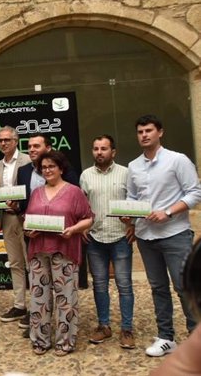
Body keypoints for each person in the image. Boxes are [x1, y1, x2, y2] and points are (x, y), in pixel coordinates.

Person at [125, 114, 201, 357]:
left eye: (148, 130)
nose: (144, 135)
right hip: (146, 236)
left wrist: (168, 212)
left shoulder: (177, 160)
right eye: (140, 132)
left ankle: (196, 337)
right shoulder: (134, 166)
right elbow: (132, 198)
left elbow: (195, 193)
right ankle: (166, 337)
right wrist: (128, 214)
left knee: (185, 286)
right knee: (158, 287)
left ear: (160, 132)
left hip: (175, 234)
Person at [25, 150, 93, 356]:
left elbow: (88, 218)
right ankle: (41, 340)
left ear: (61, 168)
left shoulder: (74, 192)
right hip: (38, 251)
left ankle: (65, 342)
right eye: (43, 167)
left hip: (64, 250)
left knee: (65, 298)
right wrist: (29, 230)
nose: (47, 170)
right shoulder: (36, 193)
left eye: (51, 166)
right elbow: (27, 220)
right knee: (39, 298)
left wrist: (73, 230)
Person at [79, 135, 135, 349]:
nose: (99, 152)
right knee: (99, 286)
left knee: (125, 286)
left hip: (121, 237)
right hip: (95, 238)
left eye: (104, 148)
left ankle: (127, 329)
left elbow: (134, 201)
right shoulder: (86, 175)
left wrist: (134, 225)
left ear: (114, 151)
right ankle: (104, 326)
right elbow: (82, 205)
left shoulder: (126, 173)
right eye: (95, 148)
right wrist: (83, 226)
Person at [0, 126, 32, 326]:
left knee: (31, 263)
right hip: (7, 218)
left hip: (25, 217)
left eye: (7, 140)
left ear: (16, 141)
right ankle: (19, 305)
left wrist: (21, 206)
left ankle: (36, 307)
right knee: (15, 263)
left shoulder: (27, 160)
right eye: (0, 140)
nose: (3, 143)